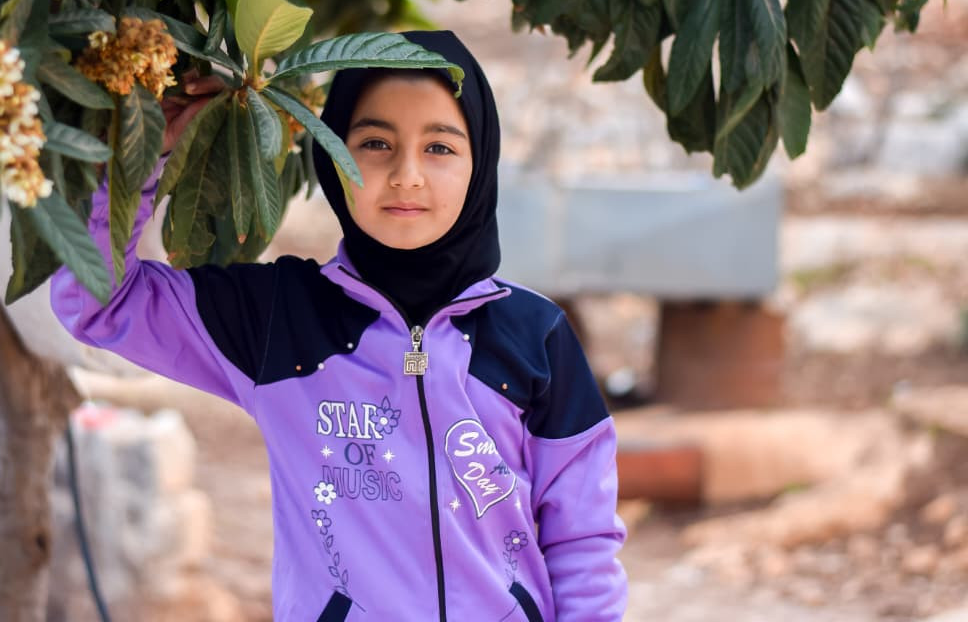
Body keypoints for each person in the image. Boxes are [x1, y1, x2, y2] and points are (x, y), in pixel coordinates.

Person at [51, 30, 627, 621]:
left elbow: (582, 539)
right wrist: (140, 152)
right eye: (375, 143)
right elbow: (99, 301)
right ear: (332, 155)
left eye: (439, 147)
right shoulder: (277, 321)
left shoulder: (537, 337)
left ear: (481, 161)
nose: (406, 175)